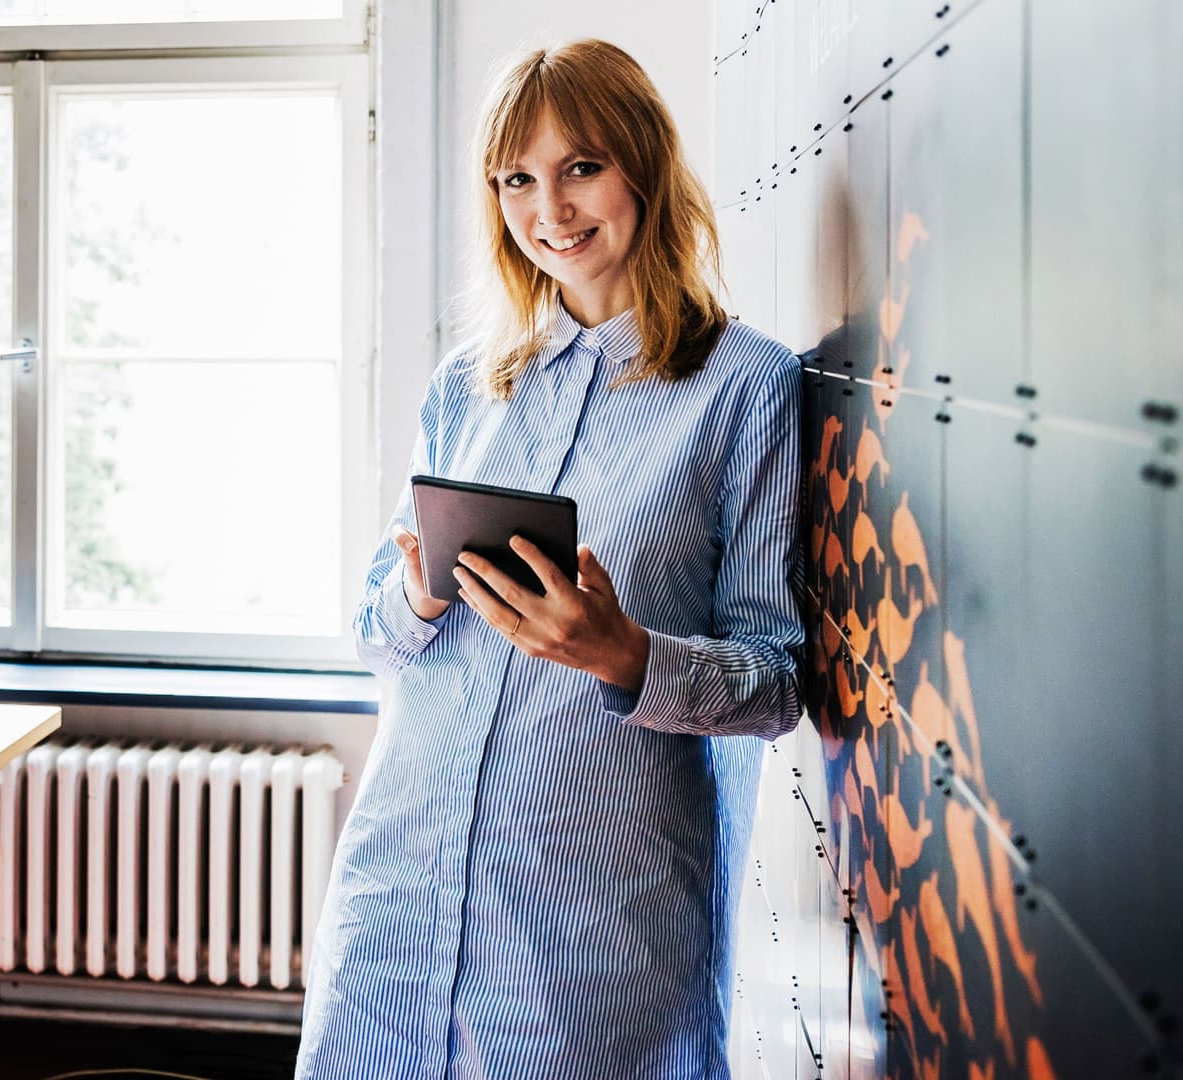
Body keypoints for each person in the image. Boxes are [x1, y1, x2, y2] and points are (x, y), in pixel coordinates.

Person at [295, 39, 805, 1080]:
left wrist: (626, 653)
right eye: (516, 179)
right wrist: (417, 592)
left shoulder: (746, 386)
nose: (551, 209)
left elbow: (778, 683)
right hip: (399, 888)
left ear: (644, 166)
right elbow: (374, 635)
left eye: (581, 167)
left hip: (590, 929)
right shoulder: (467, 384)